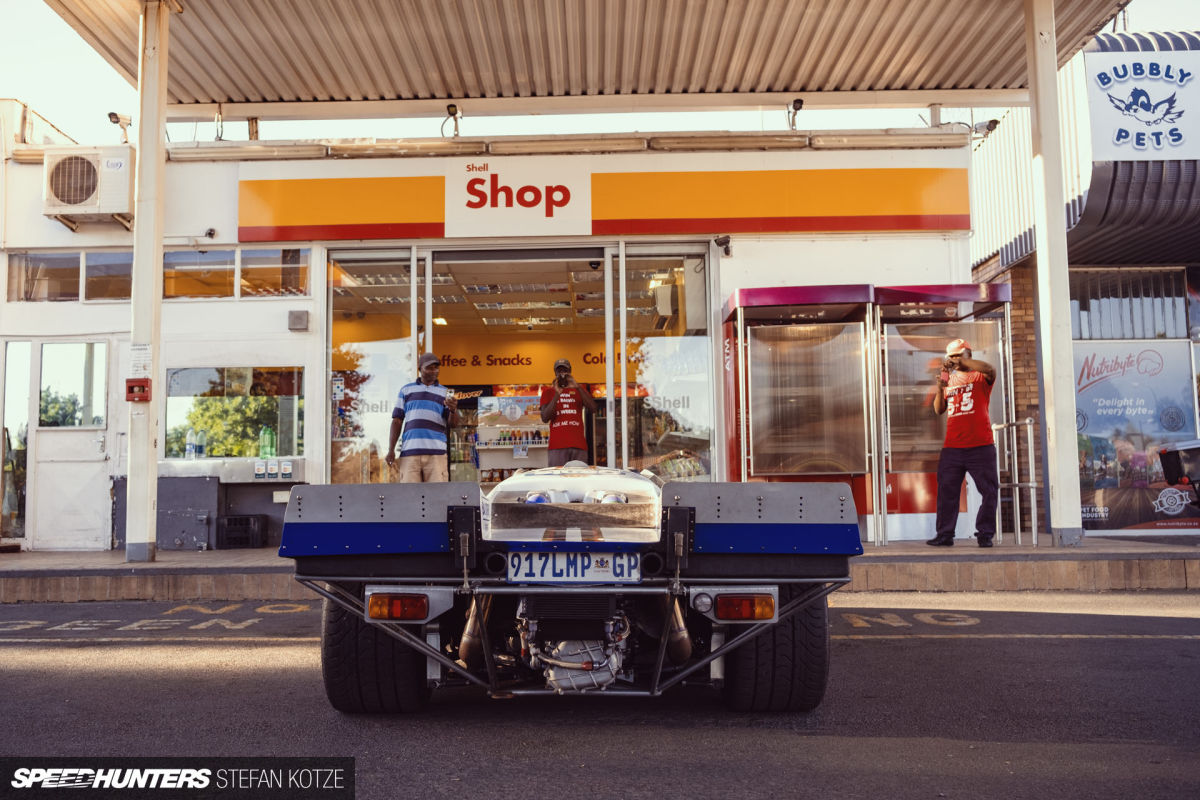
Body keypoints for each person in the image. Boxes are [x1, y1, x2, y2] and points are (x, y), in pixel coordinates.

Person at [928, 338, 999, 547]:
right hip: (953, 447)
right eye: (952, 356)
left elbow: (989, 368)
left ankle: (985, 534)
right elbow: (938, 409)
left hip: (981, 445)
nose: (955, 359)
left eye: (959, 354)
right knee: (946, 492)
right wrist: (940, 388)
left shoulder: (981, 376)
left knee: (989, 490)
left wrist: (962, 363)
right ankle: (944, 534)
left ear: (969, 353)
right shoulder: (949, 379)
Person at [385, 352, 459, 482]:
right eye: (429, 367)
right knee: (410, 497)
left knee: (437, 498)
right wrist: (391, 450)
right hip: (410, 452)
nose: (434, 371)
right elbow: (397, 421)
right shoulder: (406, 390)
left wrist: (453, 410)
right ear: (420, 369)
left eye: (436, 367)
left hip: (436, 454)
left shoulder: (445, 392)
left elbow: (453, 424)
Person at [539, 358, 597, 466]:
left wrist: (578, 387)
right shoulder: (548, 392)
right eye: (559, 370)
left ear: (570, 371)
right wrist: (557, 393)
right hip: (557, 446)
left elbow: (593, 408)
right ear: (555, 372)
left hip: (578, 445)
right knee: (557, 480)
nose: (562, 374)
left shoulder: (579, 390)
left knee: (579, 479)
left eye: (564, 370)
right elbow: (545, 418)